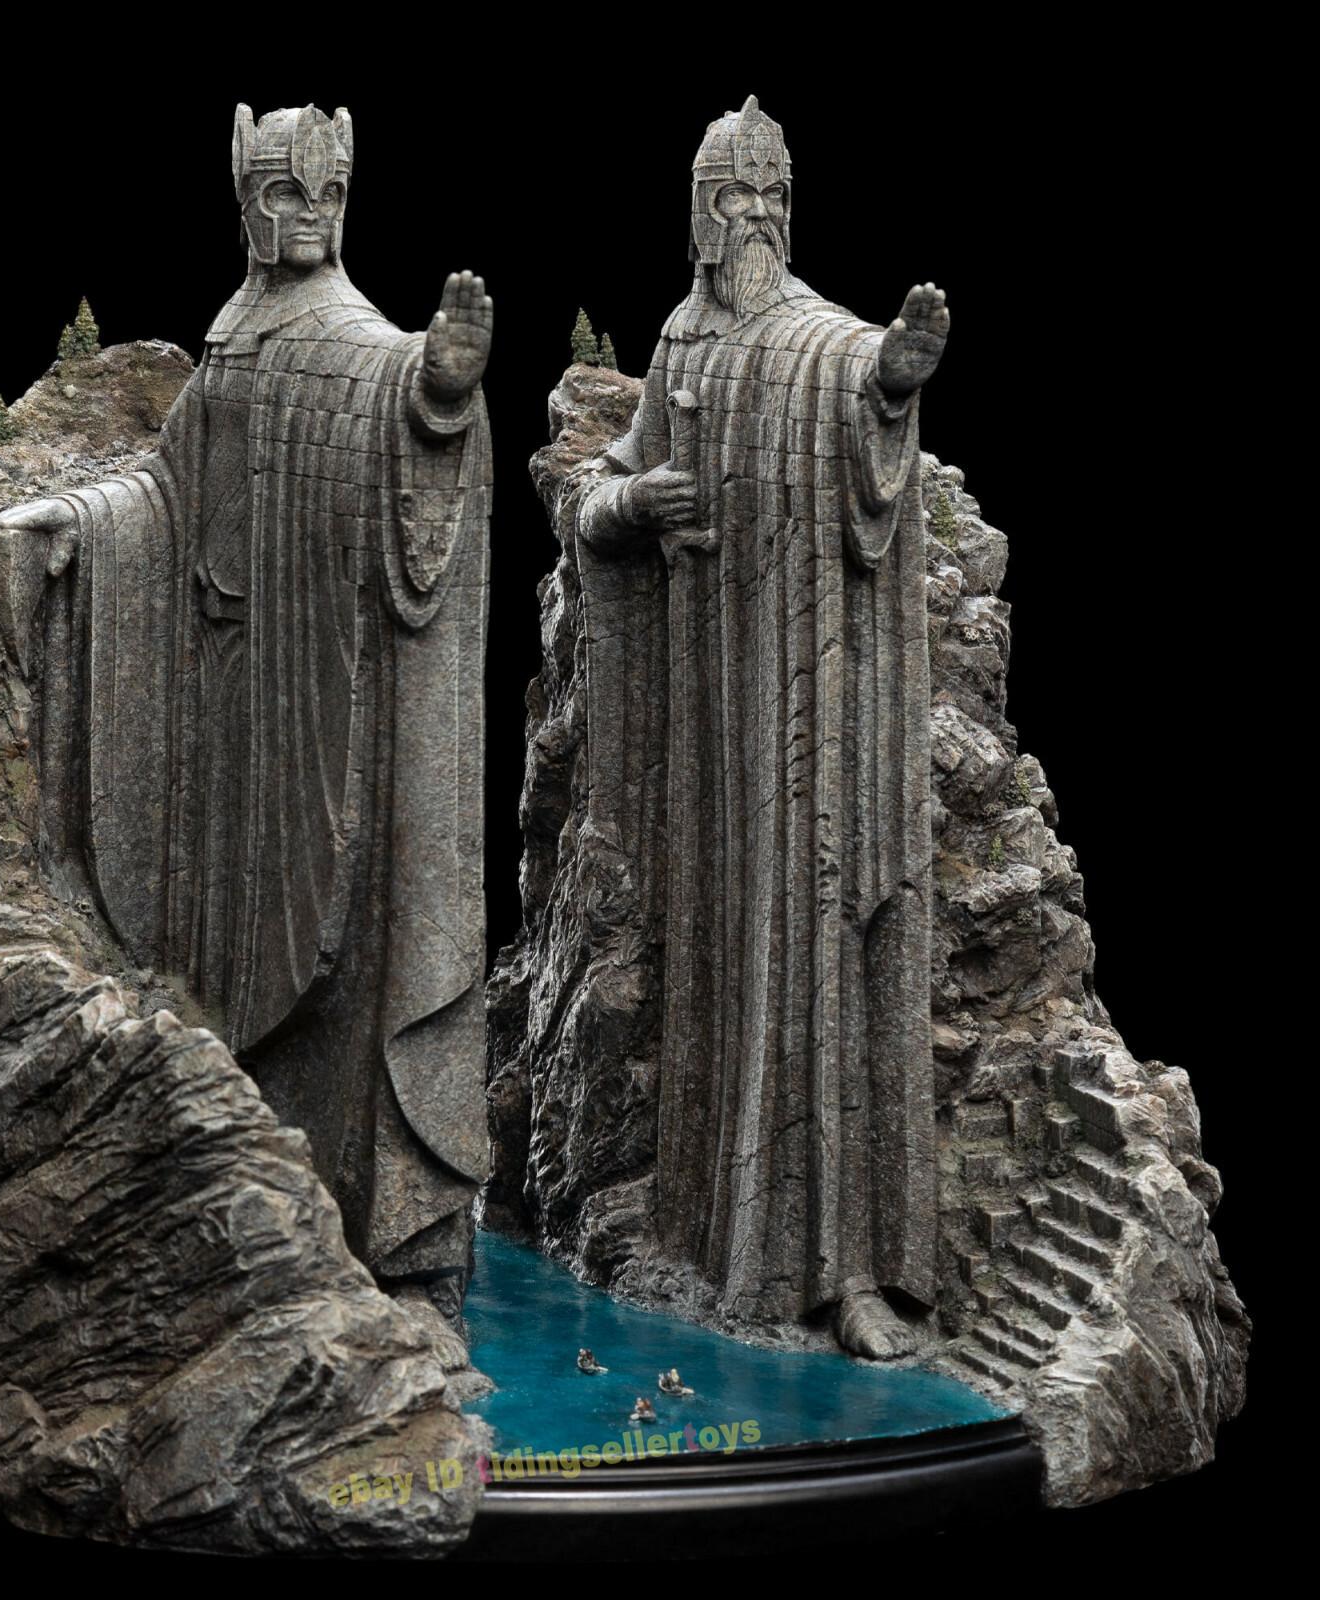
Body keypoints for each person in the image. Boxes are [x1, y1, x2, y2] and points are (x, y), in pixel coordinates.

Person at [0, 103, 493, 1319]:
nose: (306, 217)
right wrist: (82, 515)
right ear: (245, 203)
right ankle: (233, 1191)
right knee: (226, 965)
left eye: (325, 196)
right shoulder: (236, 329)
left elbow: (402, 398)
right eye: (282, 195)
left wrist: (437, 389)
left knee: (344, 954)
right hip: (228, 709)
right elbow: (172, 486)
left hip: (328, 711)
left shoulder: (353, 338)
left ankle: (386, 1239)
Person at [571, 96, 945, 1357]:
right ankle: (706, 1236)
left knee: (820, 957)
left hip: (813, 715)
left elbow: (857, 374)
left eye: (774, 197)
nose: (756, 218)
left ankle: (845, 1271)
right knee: (722, 967)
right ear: (696, 214)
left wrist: (890, 383)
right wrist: (635, 502)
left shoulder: (818, 340)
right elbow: (601, 492)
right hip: (713, 726)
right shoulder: (681, 339)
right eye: (734, 197)